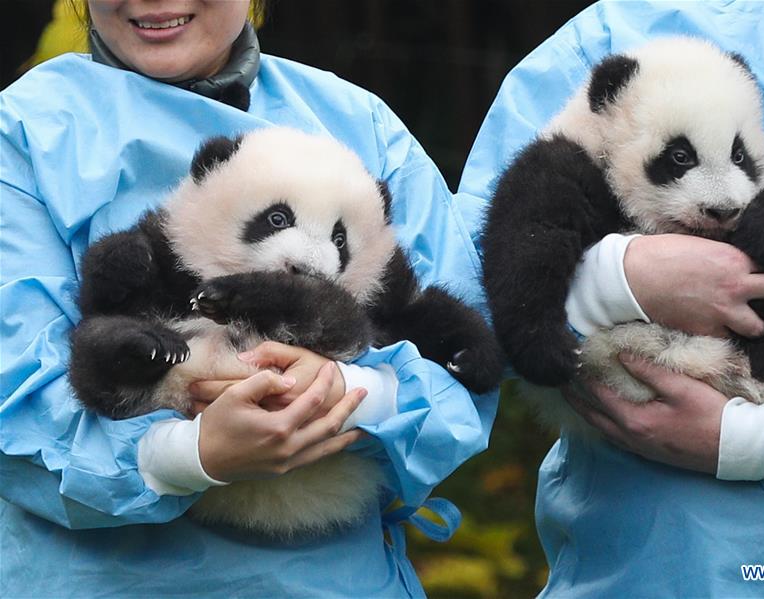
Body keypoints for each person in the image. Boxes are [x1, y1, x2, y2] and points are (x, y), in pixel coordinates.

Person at [0, 1, 496, 596]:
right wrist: (186, 454)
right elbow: (17, 408)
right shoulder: (25, 135)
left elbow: (463, 374)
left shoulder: (359, 126)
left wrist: (352, 394)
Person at [456, 0, 764, 596]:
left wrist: (760, 441)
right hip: (643, 567)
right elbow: (456, 294)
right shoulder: (622, 34)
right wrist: (614, 280)